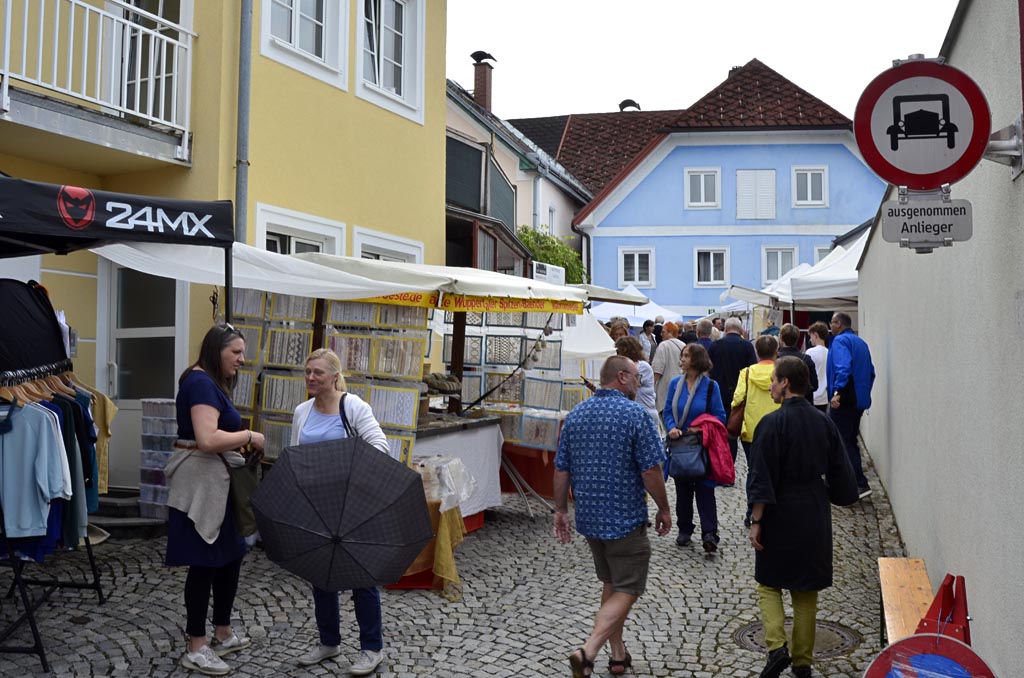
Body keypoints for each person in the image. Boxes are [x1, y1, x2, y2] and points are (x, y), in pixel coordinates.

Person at [553, 356, 671, 678]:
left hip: (590, 520)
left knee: (612, 582)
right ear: (621, 377)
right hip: (625, 520)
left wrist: (561, 510)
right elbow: (651, 469)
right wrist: (663, 507)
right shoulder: (635, 415)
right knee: (629, 588)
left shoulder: (576, 415)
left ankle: (617, 655)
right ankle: (588, 651)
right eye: (636, 377)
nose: (639, 383)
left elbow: (561, 469)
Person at [747, 357, 858, 678]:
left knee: (768, 584)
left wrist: (756, 521)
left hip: (779, 512)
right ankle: (803, 663)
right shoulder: (824, 422)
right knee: (806, 591)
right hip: (813, 509)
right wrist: (838, 494)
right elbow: (842, 473)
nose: (770, 386)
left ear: (785, 383)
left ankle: (776, 647)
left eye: (773, 380)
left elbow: (761, 477)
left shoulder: (771, 424)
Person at [166, 323, 264, 676]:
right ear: (215, 350)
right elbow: (206, 439)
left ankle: (222, 631)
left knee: (229, 557)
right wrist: (249, 434)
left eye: (242, 352)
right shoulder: (200, 383)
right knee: (205, 562)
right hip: (203, 487)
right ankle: (197, 644)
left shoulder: (208, 380)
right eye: (235, 352)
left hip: (219, 484)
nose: (242, 359)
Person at [293, 348, 390, 675]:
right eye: (307, 372)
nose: (310, 378)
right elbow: (295, 456)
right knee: (322, 577)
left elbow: (379, 445)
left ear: (334, 376)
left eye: (317, 372)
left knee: (361, 578)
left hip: (352, 505)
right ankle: (329, 642)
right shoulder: (302, 411)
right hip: (317, 507)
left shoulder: (353, 407)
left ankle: (371, 648)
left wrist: (347, 468)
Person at [663, 343, 727, 552]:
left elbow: (719, 416)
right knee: (683, 490)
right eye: (682, 356)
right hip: (681, 444)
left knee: (705, 489)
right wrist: (672, 428)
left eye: (686, 356)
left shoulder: (710, 387)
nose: (681, 359)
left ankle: (709, 533)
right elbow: (667, 411)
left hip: (703, 445)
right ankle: (684, 530)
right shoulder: (674, 384)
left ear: (696, 359)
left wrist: (700, 428)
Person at [826, 312, 876, 498]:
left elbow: (843, 367)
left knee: (840, 441)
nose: (830, 326)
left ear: (838, 324)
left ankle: (855, 482)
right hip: (858, 400)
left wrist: (838, 393)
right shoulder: (860, 342)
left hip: (845, 399)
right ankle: (857, 482)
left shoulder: (840, 342)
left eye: (831, 322)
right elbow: (871, 372)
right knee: (849, 440)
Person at [708, 317, 757, 461]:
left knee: (719, 429)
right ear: (740, 330)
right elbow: (752, 369)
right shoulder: (747, 346)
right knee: (734, 430)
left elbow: (708, 370)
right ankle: (731, 463)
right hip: (740, 395)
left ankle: (720, 464)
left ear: (725, 329)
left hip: (718, 393)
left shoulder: (715, 345)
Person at [733, 335, 780, 461]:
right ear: (776, 352)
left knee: (753, 467)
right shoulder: (781, 372)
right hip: (778, 428)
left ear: (757, 352)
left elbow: (737, 399)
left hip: (751, 428)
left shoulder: (747, 373)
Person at [616, 336, 659, 432]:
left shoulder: (642, 366)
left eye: (618, 351)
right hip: (634, 413)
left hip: (645, 413)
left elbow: (628, 385)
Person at [777, 324, 818, 405]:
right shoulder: (806, 359)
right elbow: (814, 385)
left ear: (781, 337)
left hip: (780, 404)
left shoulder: (776, 359)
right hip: (803, 405)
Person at [651, 321, 685, 414]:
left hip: (666, 388)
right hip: (682, 387)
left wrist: (651, 388)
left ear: (670, 332)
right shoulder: (683, 345)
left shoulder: (663, 345)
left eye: (663, 332)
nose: (661, 334)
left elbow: (657, 370)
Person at [805, 322, 830, 413]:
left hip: (812, 396)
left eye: (811, 336)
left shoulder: (810, 352)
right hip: (825, 396)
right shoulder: (829, 353)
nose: (810, 339)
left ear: (815, 335)